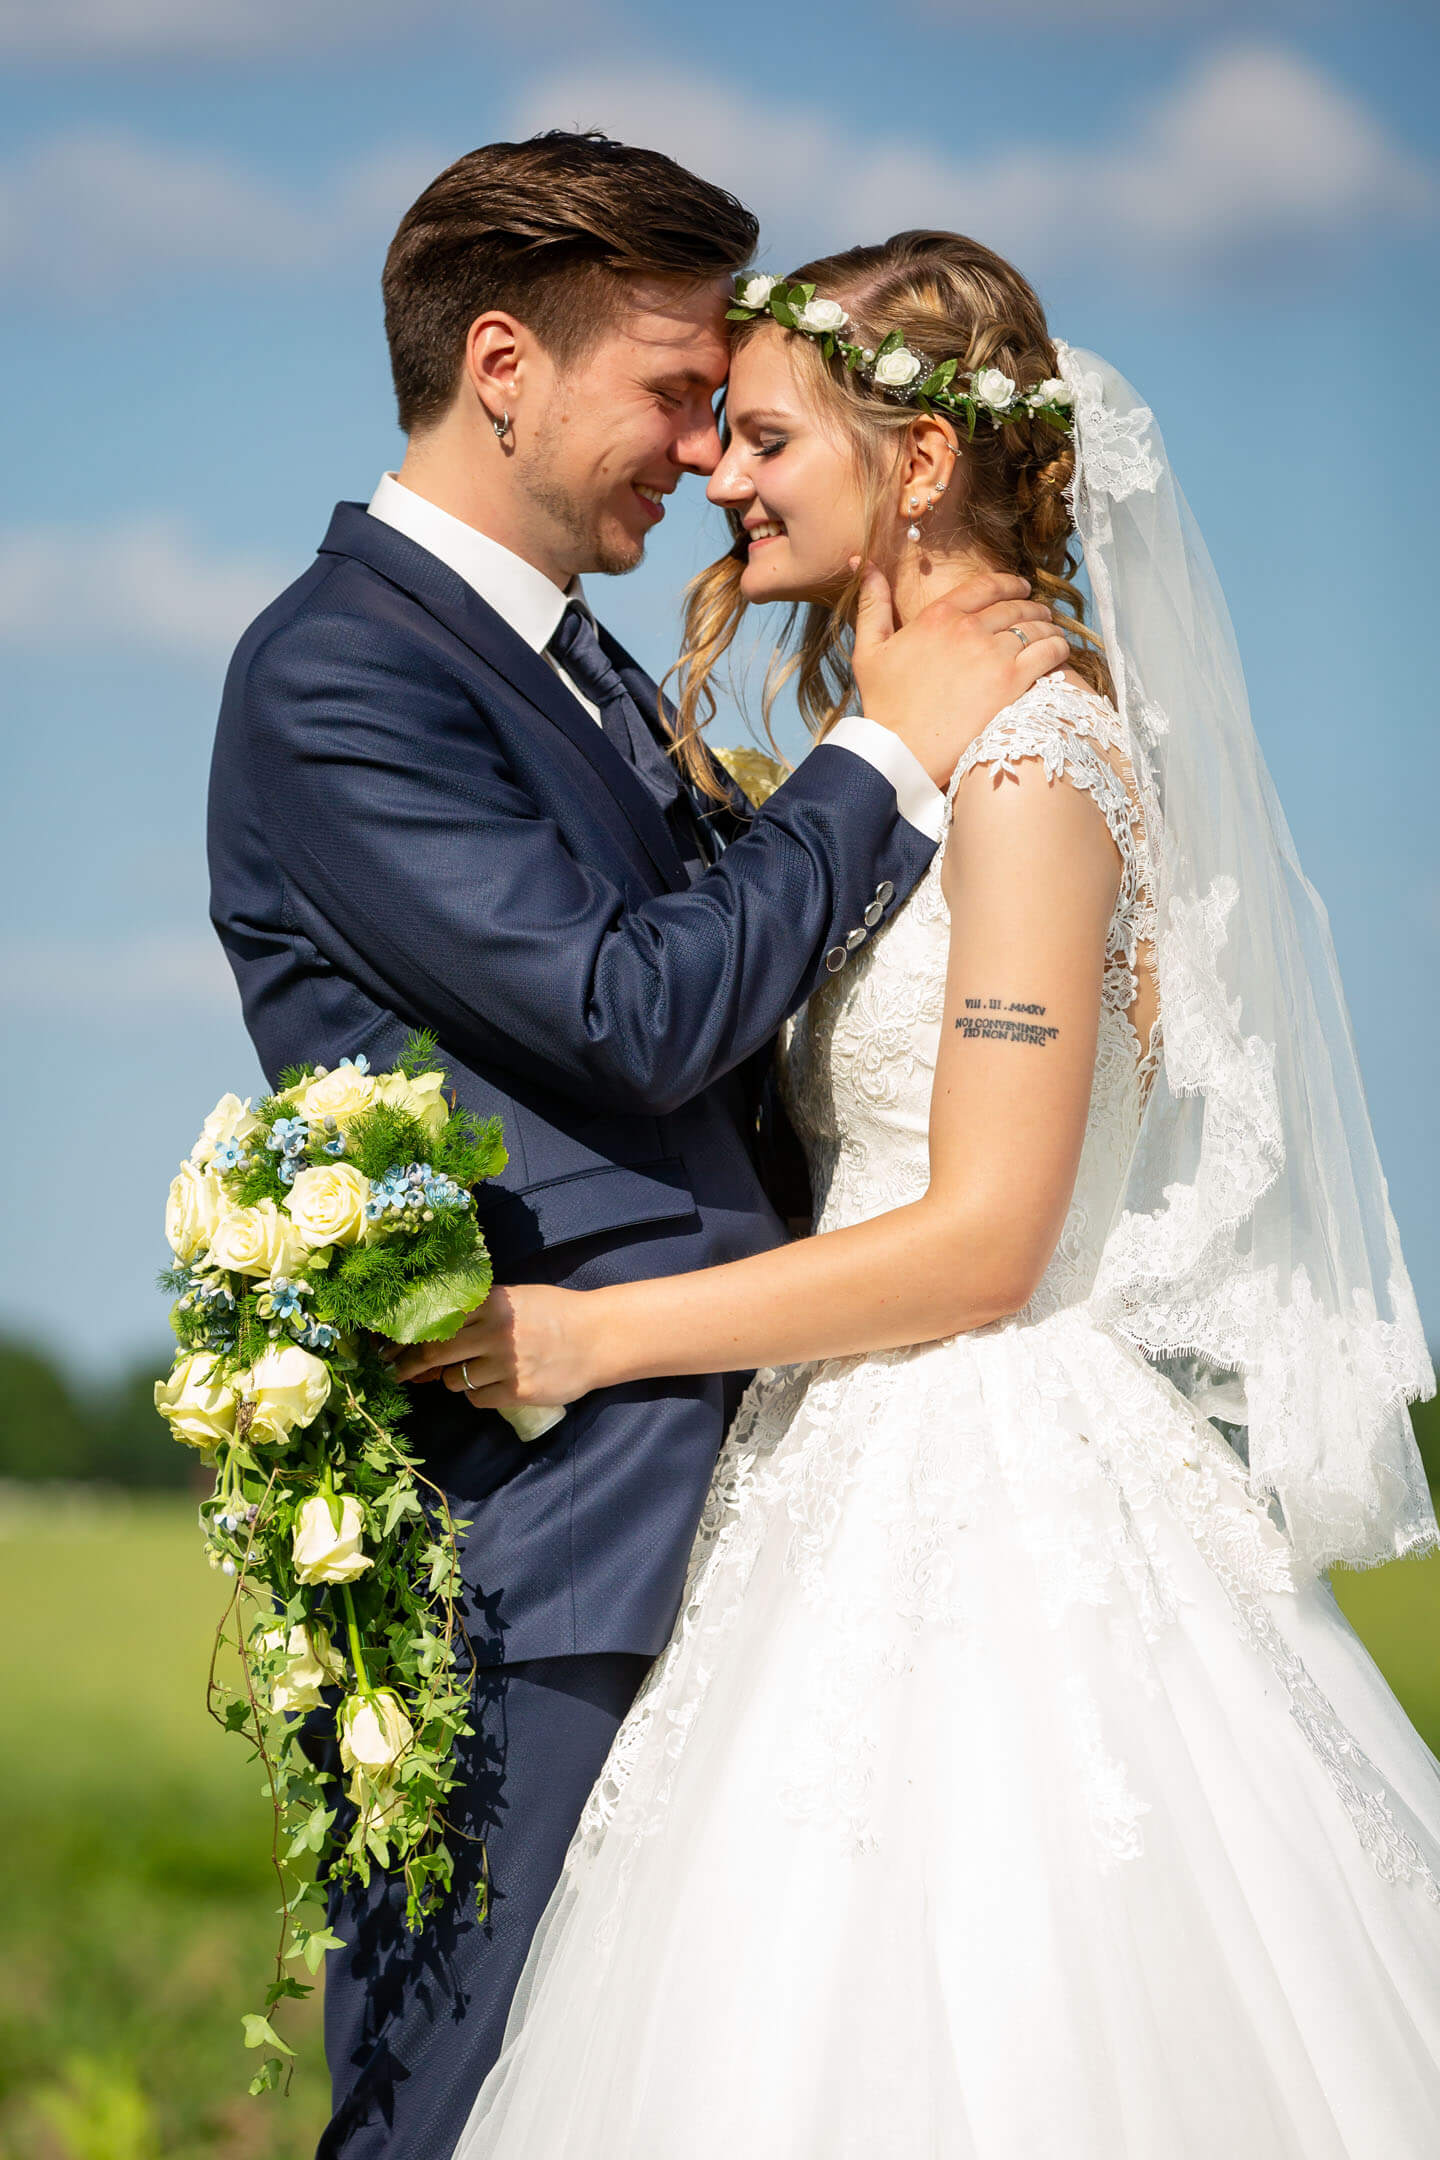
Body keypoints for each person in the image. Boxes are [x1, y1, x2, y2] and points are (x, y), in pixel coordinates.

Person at [405, 230, 1440, 2158]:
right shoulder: (893, 767)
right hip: (833, 1465)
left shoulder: (1037, 765)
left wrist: (587, 1335)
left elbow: (981, 1244)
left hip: (987, 1481)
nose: (718, 474)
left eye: (766, 435)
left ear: (925, 461)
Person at [207, 144, 1063, 2158]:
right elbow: (635, 1012)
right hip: (542, 1525)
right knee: (461, 2107)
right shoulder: (341, 674)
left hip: (768, 1494)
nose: (700, 452)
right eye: (676, 393)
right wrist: (886, 747)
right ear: (503, 366)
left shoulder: (570, 661)